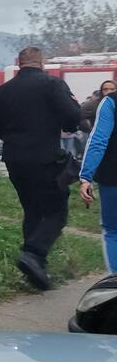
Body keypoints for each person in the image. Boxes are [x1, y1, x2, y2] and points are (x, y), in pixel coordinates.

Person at [0, 46, 81, 291]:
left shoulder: (5, 90)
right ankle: (34, 254)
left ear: (19, 62)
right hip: (45, 158)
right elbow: (72, 118)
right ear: (41, 62)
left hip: (14, 159)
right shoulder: (52, 84)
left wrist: (14, 136)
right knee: (56, 211)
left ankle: (35, 271)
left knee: (33, 210)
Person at [79, 88, 117, 274]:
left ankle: (115, 280)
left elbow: (98, 140)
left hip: (113, 177)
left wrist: (86, 176)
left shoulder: (111, 102)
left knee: (113, 231)